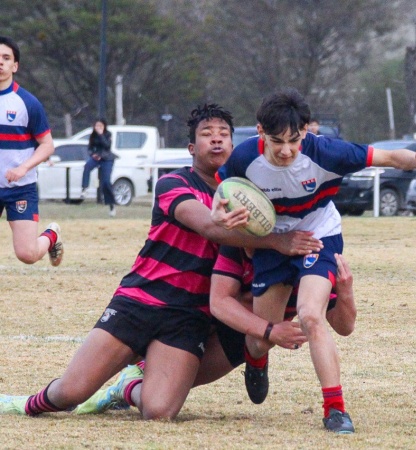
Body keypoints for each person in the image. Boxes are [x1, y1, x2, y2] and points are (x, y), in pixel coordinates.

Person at [0, 103, 321, 421]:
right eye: (208, 134)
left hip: (189, 317)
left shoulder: (248, 198)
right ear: (191, 148)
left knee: (159, 411)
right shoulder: (174, 184)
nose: (217, 140)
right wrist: (273, 239)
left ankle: (127, 387)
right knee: (70, 393)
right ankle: (27, 404)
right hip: (140, 301)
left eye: (224, 134)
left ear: (234, 146)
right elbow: (210, 227)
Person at [212, 87, 416, 433]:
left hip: (318, 235)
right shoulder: (245, 157)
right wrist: (220, 213)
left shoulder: (326, 152)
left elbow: (387, 158)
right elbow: (221, 194)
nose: (286, 150)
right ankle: (256, 361)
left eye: (294, 140)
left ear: (306, 131)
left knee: (310, 315)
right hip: (272, 242)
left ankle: (335, 409)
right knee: (259, 339)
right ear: (260, 131)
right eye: (277, 141)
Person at [73, 249, 356, 416]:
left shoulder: (310, 259)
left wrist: (345, 292)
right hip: (200, 319)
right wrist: (269, 330)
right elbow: (220, 303)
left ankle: (125, 388)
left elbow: (344, 327)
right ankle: (141, 364)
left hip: (237, 339)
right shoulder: (236, 243)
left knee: (162, 403)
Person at [0, 36, 63, 266]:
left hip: (20, 188)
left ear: (15, 66)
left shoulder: (28, 103)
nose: (1, 62)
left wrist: (23, 167)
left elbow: (47, 145)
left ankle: (52, 235)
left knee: (27, 255)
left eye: (6, 58)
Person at [81, 118, 117, 217]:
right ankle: (84, 188)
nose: (98, 128)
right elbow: (90, 148)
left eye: (100, 126)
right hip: (97, 157)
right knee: (87, 166)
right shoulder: (92, 135)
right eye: (97, 126)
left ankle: (111, 205)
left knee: (106, 182)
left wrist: (101, 135)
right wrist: (93, 154)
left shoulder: (108, 134)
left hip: (107, 158)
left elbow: (107, 146)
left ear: (104, 126)